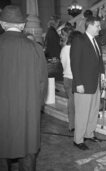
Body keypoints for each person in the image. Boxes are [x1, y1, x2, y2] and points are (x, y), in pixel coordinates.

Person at [0, 5, 48, 170]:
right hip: (27, 113)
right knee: (27, 153)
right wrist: (38, 106)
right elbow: (43, 83)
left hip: (2, 114)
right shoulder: (35, 48)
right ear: (22, 25)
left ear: (2, 23)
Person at [70, 16, 104, 150]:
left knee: (93, 111)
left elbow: (99, 63)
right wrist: (78, 83)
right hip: (83, 84)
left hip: (95, 83)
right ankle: (78, 140)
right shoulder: (79, 40)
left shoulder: (97, 41)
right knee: (82, 113)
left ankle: (89, 133)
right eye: (98, 26)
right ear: (89, 26)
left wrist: (102, 79)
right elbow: (75, 63)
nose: (100, 28)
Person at [60, 26, 78, 132]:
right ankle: (75, 124)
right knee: (75, 103)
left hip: (66, 77)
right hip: (74, 78)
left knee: (71, 102)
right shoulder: (74, 49)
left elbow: (63, 64)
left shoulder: (63, 49)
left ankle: (72, 124)